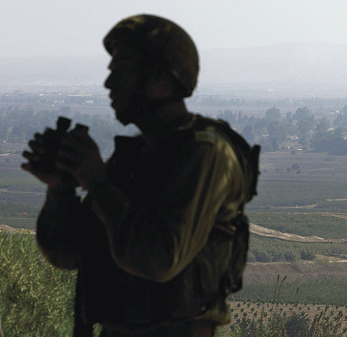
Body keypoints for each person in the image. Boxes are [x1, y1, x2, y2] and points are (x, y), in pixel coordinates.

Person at [22, 14, 258, 337]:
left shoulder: (206, 155)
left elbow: (159, 260)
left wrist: (98, 181)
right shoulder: (135, 156)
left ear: (160, 79)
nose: (109, 84)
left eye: (121, 71)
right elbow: (70, 253)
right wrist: (61, 187)